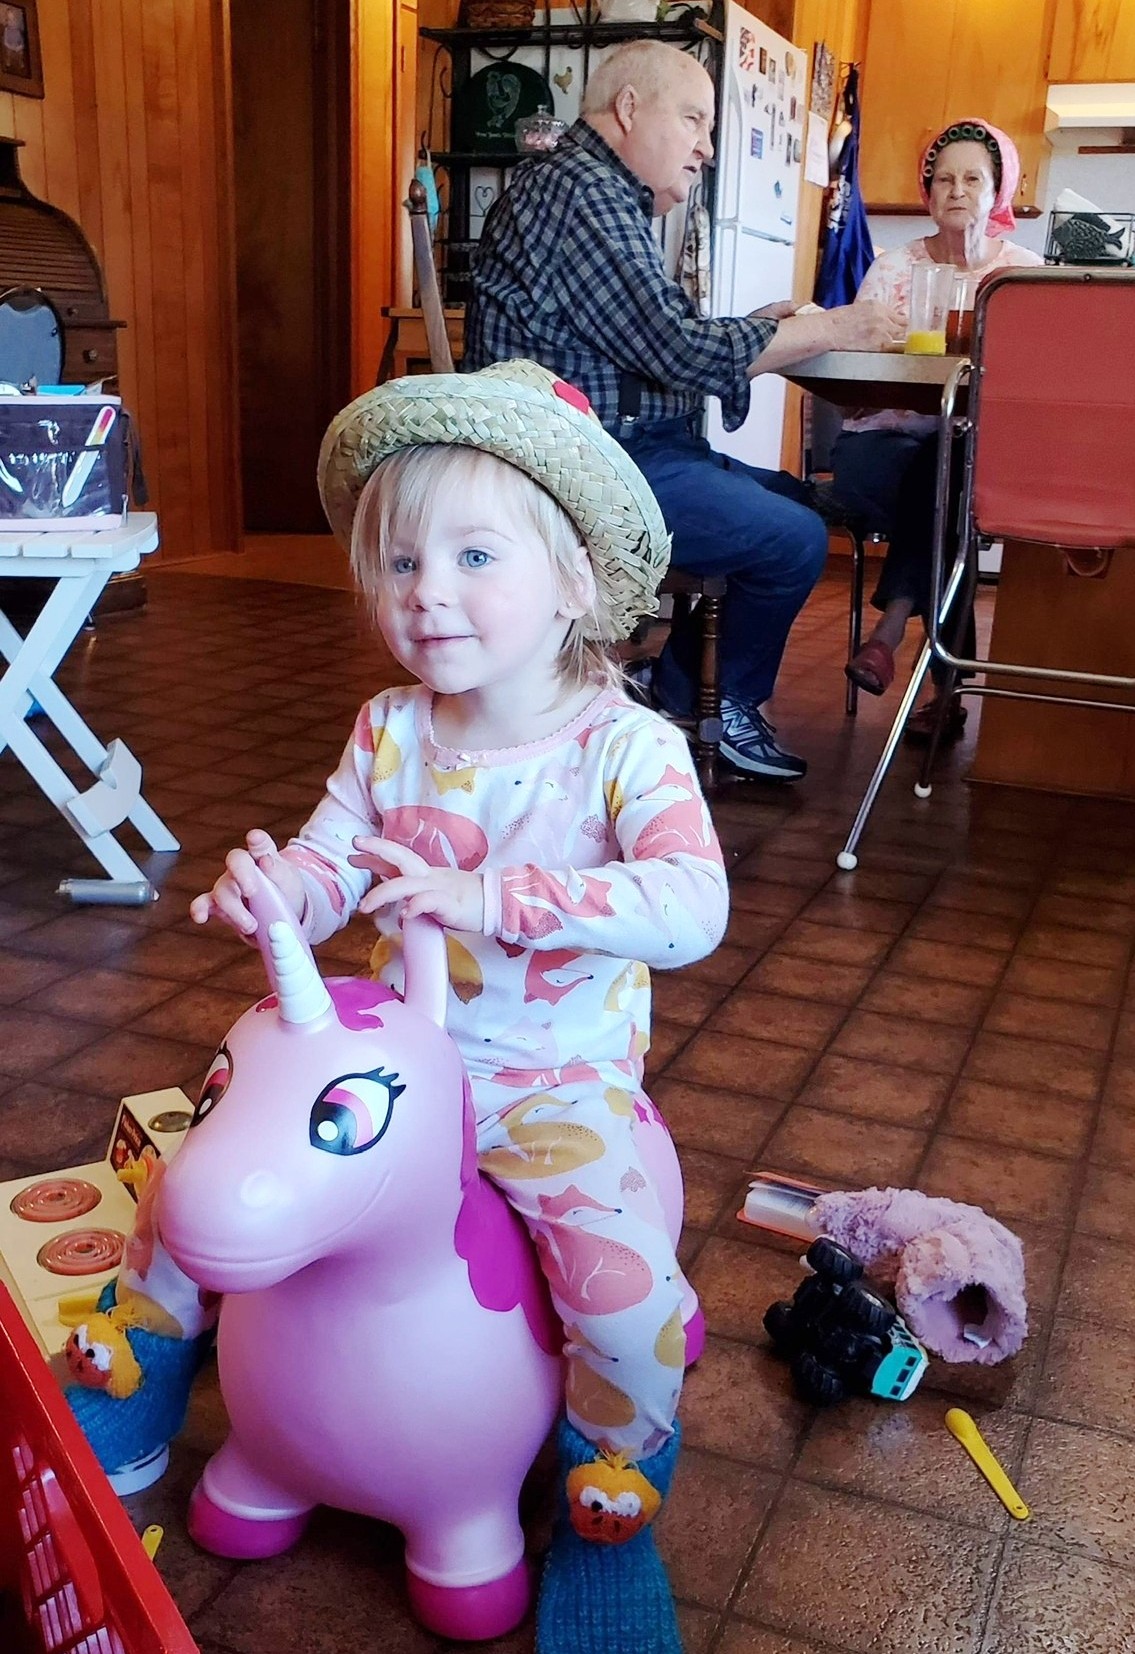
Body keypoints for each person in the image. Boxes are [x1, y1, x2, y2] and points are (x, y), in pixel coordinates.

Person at [71, 361, 729, 1654]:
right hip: (392, 1064)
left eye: (473, 555)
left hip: (550, 1085)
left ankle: (609, 1501)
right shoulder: (388, 731)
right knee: (200, 1167)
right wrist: (280, 890)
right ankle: (140, 1365)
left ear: (575, 581)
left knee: (627, 1306)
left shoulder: (626, 748)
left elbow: (690, 902)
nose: (426, 589)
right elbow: (332, 863)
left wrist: (497, 896)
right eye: (400, 560)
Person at [465, 39, 900, 782]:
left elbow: (652, 345)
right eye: (694, 120)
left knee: (802, 502)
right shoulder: (579, 193)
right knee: (793, 537)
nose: (706, 147)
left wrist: (762, 330)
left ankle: (670, 690)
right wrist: (831, 328)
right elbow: (676, 351)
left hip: (622, 449)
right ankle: (715, 704)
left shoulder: (593, 192)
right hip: (579, 470)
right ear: (629, 109)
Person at [834, 118, 1043, 740]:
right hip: (880, 446)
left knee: (949, 465)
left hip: (968, 453)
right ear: (928, 192)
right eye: (944, 178)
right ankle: (945, 688)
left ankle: (890, 630)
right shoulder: (893, 267)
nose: (956, 190)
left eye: (973, 179)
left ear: (997, 191)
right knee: (948, 487)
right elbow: (856, 360)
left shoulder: (1022, 276)